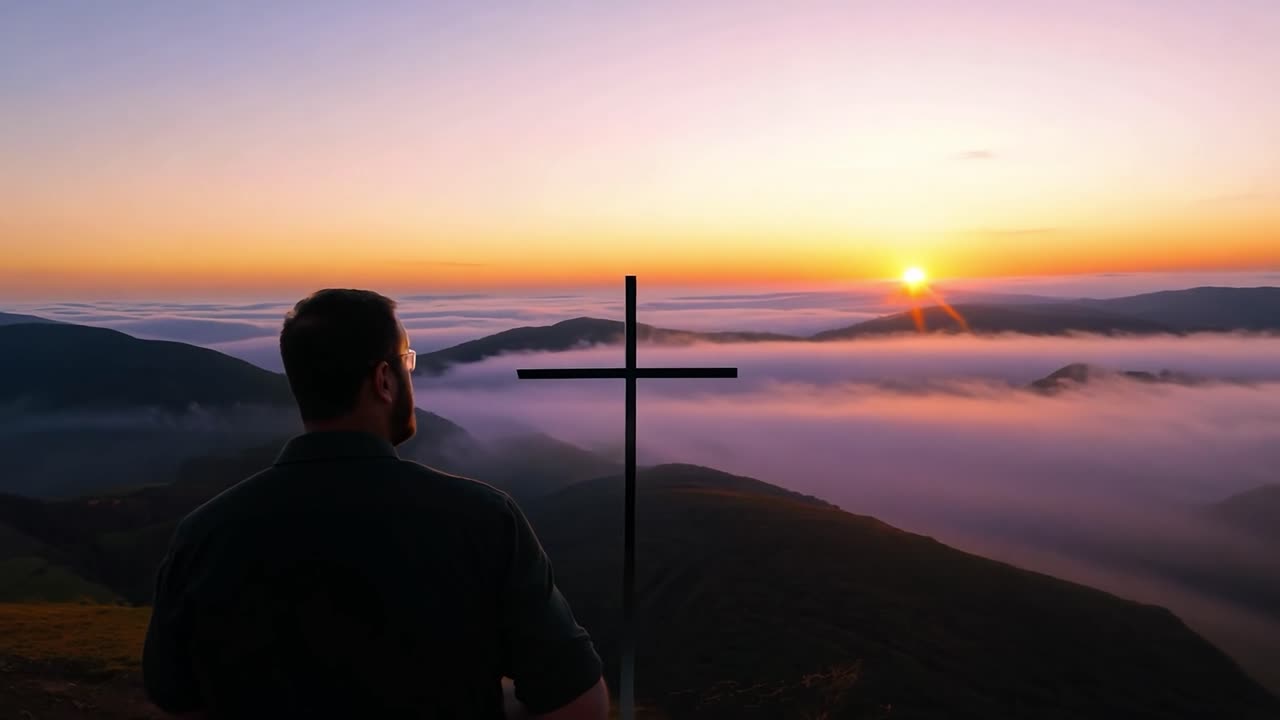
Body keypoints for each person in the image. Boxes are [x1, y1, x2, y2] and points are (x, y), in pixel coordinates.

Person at [143, 289, 608, 719]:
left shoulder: (205, 533)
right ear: (384, 380)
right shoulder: (483, 520)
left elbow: (177, 699)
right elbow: (579, 705)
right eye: (407, 362)